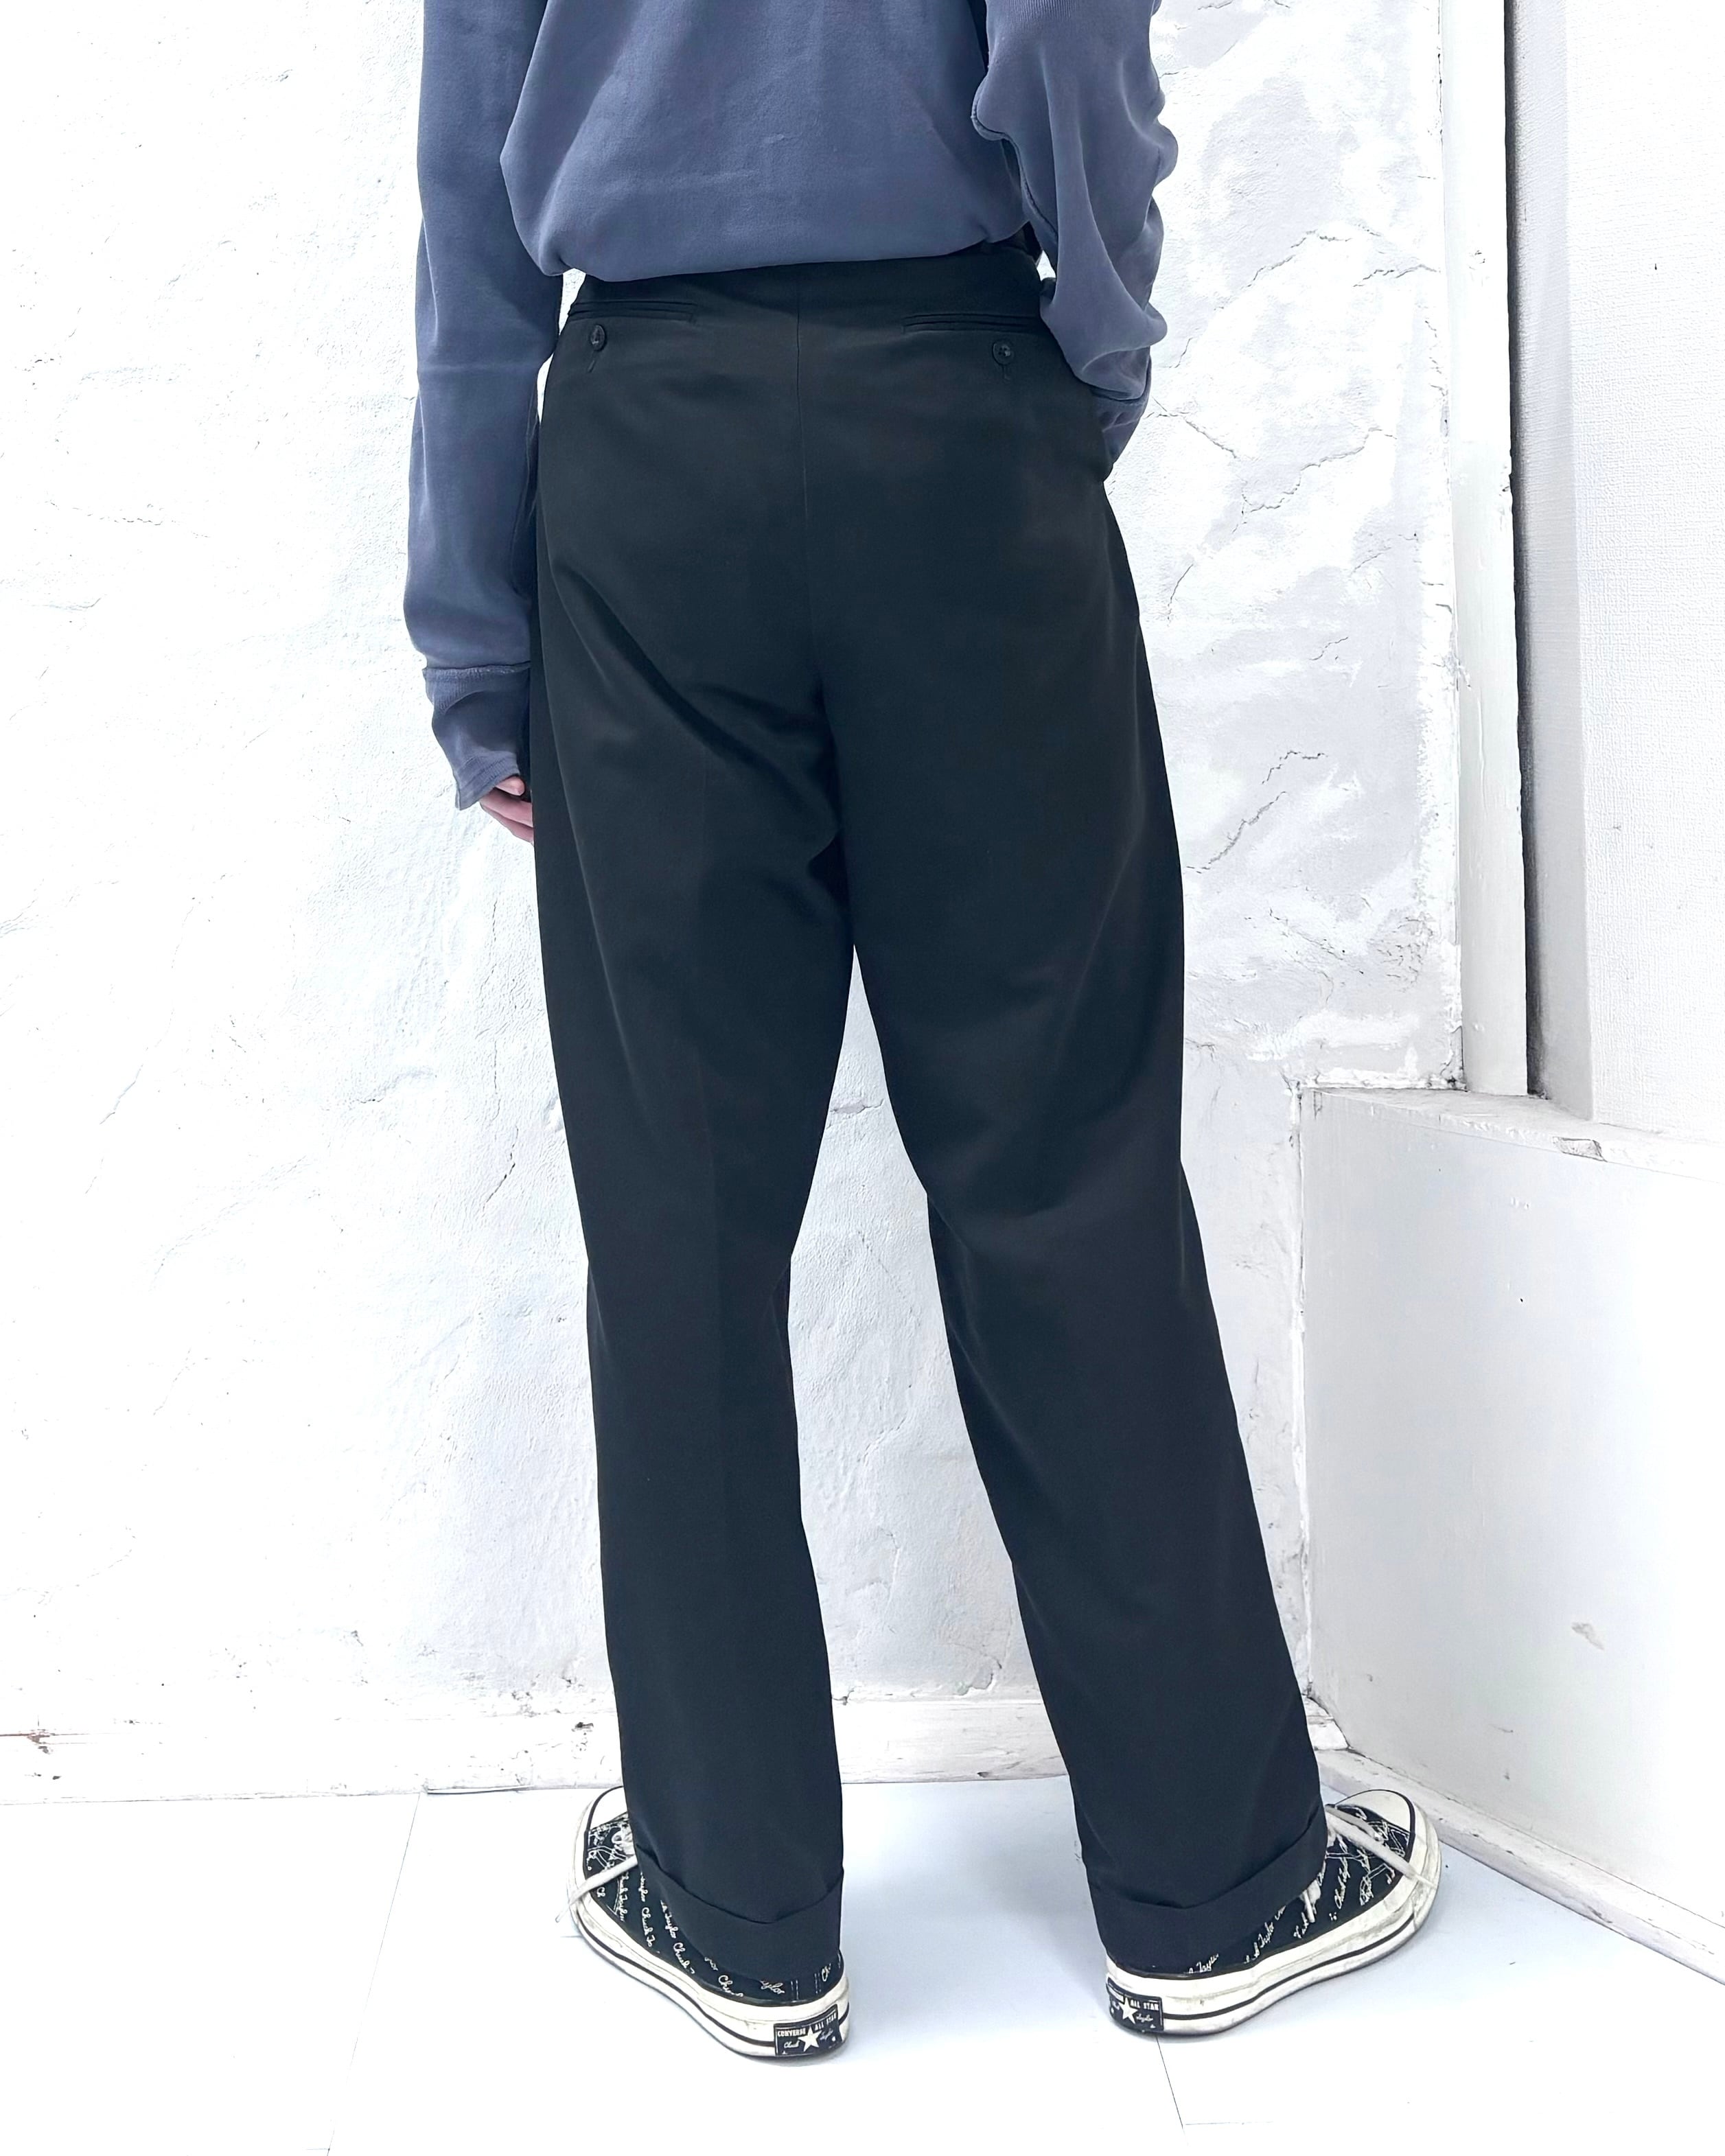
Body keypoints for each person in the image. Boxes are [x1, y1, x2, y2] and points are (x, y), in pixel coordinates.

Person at [406, 0, 1440, 2059]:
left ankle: (736, 1909)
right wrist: (1087, 352)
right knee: (1060, 1161)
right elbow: (1066, 45)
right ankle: (1211, 1887)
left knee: (681, 1207)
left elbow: (468, 199)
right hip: (949, 414)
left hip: (643, 462)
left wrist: (475, 630)